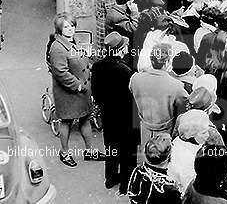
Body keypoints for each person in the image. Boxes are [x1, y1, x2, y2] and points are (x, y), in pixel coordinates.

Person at [47, 12, 104, 167]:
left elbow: (81, 59)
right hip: (69, 93)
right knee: (66, 122)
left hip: (83, 90)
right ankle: (64, 153)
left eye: (72, 25)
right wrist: (78, 85)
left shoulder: (74, 40)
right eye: (66, 27)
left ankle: (89, 151)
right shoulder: (57, 48)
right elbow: (60, 72)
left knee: (85, 119)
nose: (70, 29)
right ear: (59, 29)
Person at [91, 32, 140, 194]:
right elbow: (133, 96)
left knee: (111, 147)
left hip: (108, 115)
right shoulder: (126, 71)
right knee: (128, 151)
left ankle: (110, 178)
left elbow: (96, 93)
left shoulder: (97, 66)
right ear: (120, 49)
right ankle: (126, 184)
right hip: (126, 117)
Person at [129, 43, 189, 136]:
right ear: (168, 61)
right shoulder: (176, 85)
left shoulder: (135, 78)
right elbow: (185, 106)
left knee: (146, 149)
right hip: (165, 133)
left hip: (144, 129)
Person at [127, 133, 182, 204]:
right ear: (169, 155)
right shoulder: (170, 186)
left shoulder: (137, 171)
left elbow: (132, 194)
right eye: (172, 144)